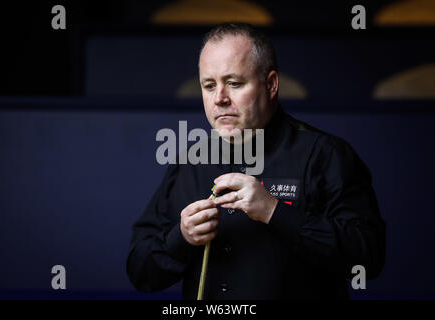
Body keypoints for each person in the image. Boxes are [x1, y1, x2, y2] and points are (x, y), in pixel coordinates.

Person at [126, 22, 386, 299]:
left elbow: (367, 260)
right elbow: (140, 272)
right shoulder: (189, 162)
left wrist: (275, 212)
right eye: (209, 85)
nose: (219, 99)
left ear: (271, 84)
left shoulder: (327, 155)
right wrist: (181, 238)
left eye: (234, 83)